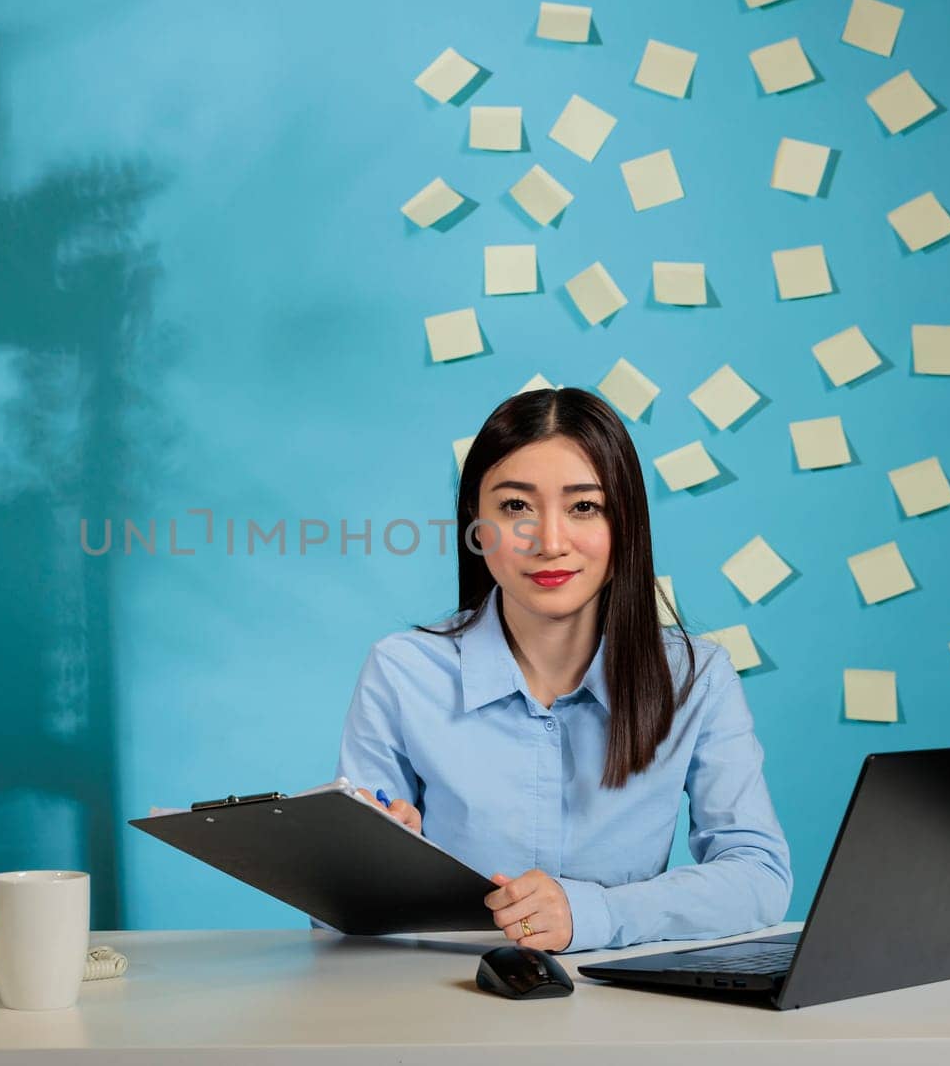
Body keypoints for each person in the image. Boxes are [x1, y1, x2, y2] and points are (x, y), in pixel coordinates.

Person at [335, 386, 792, 953]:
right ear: (476, 527)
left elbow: (759, 876)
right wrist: (367, 871)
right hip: (439, 1013)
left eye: (584, 507)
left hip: (624, 1014)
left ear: (624, 523)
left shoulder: (696, 679)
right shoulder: (402, 671)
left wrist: (595, 913)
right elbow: (339, 922)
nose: (550, 542)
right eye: (515, 507)